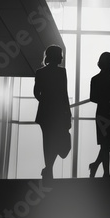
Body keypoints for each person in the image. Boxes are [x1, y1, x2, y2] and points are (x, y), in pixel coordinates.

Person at [34, 45, 72, 180]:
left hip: (45, 113)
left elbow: (36, 92)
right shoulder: (62, 72)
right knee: (56, 141)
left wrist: (45, 102)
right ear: (57, 56)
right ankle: (48, 169)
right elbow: (64, 94)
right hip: (58, 114)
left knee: (47, 141)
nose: (62, 57)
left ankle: (48, 169)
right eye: (60, 54)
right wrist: (67, 113)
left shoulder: (40, 72)